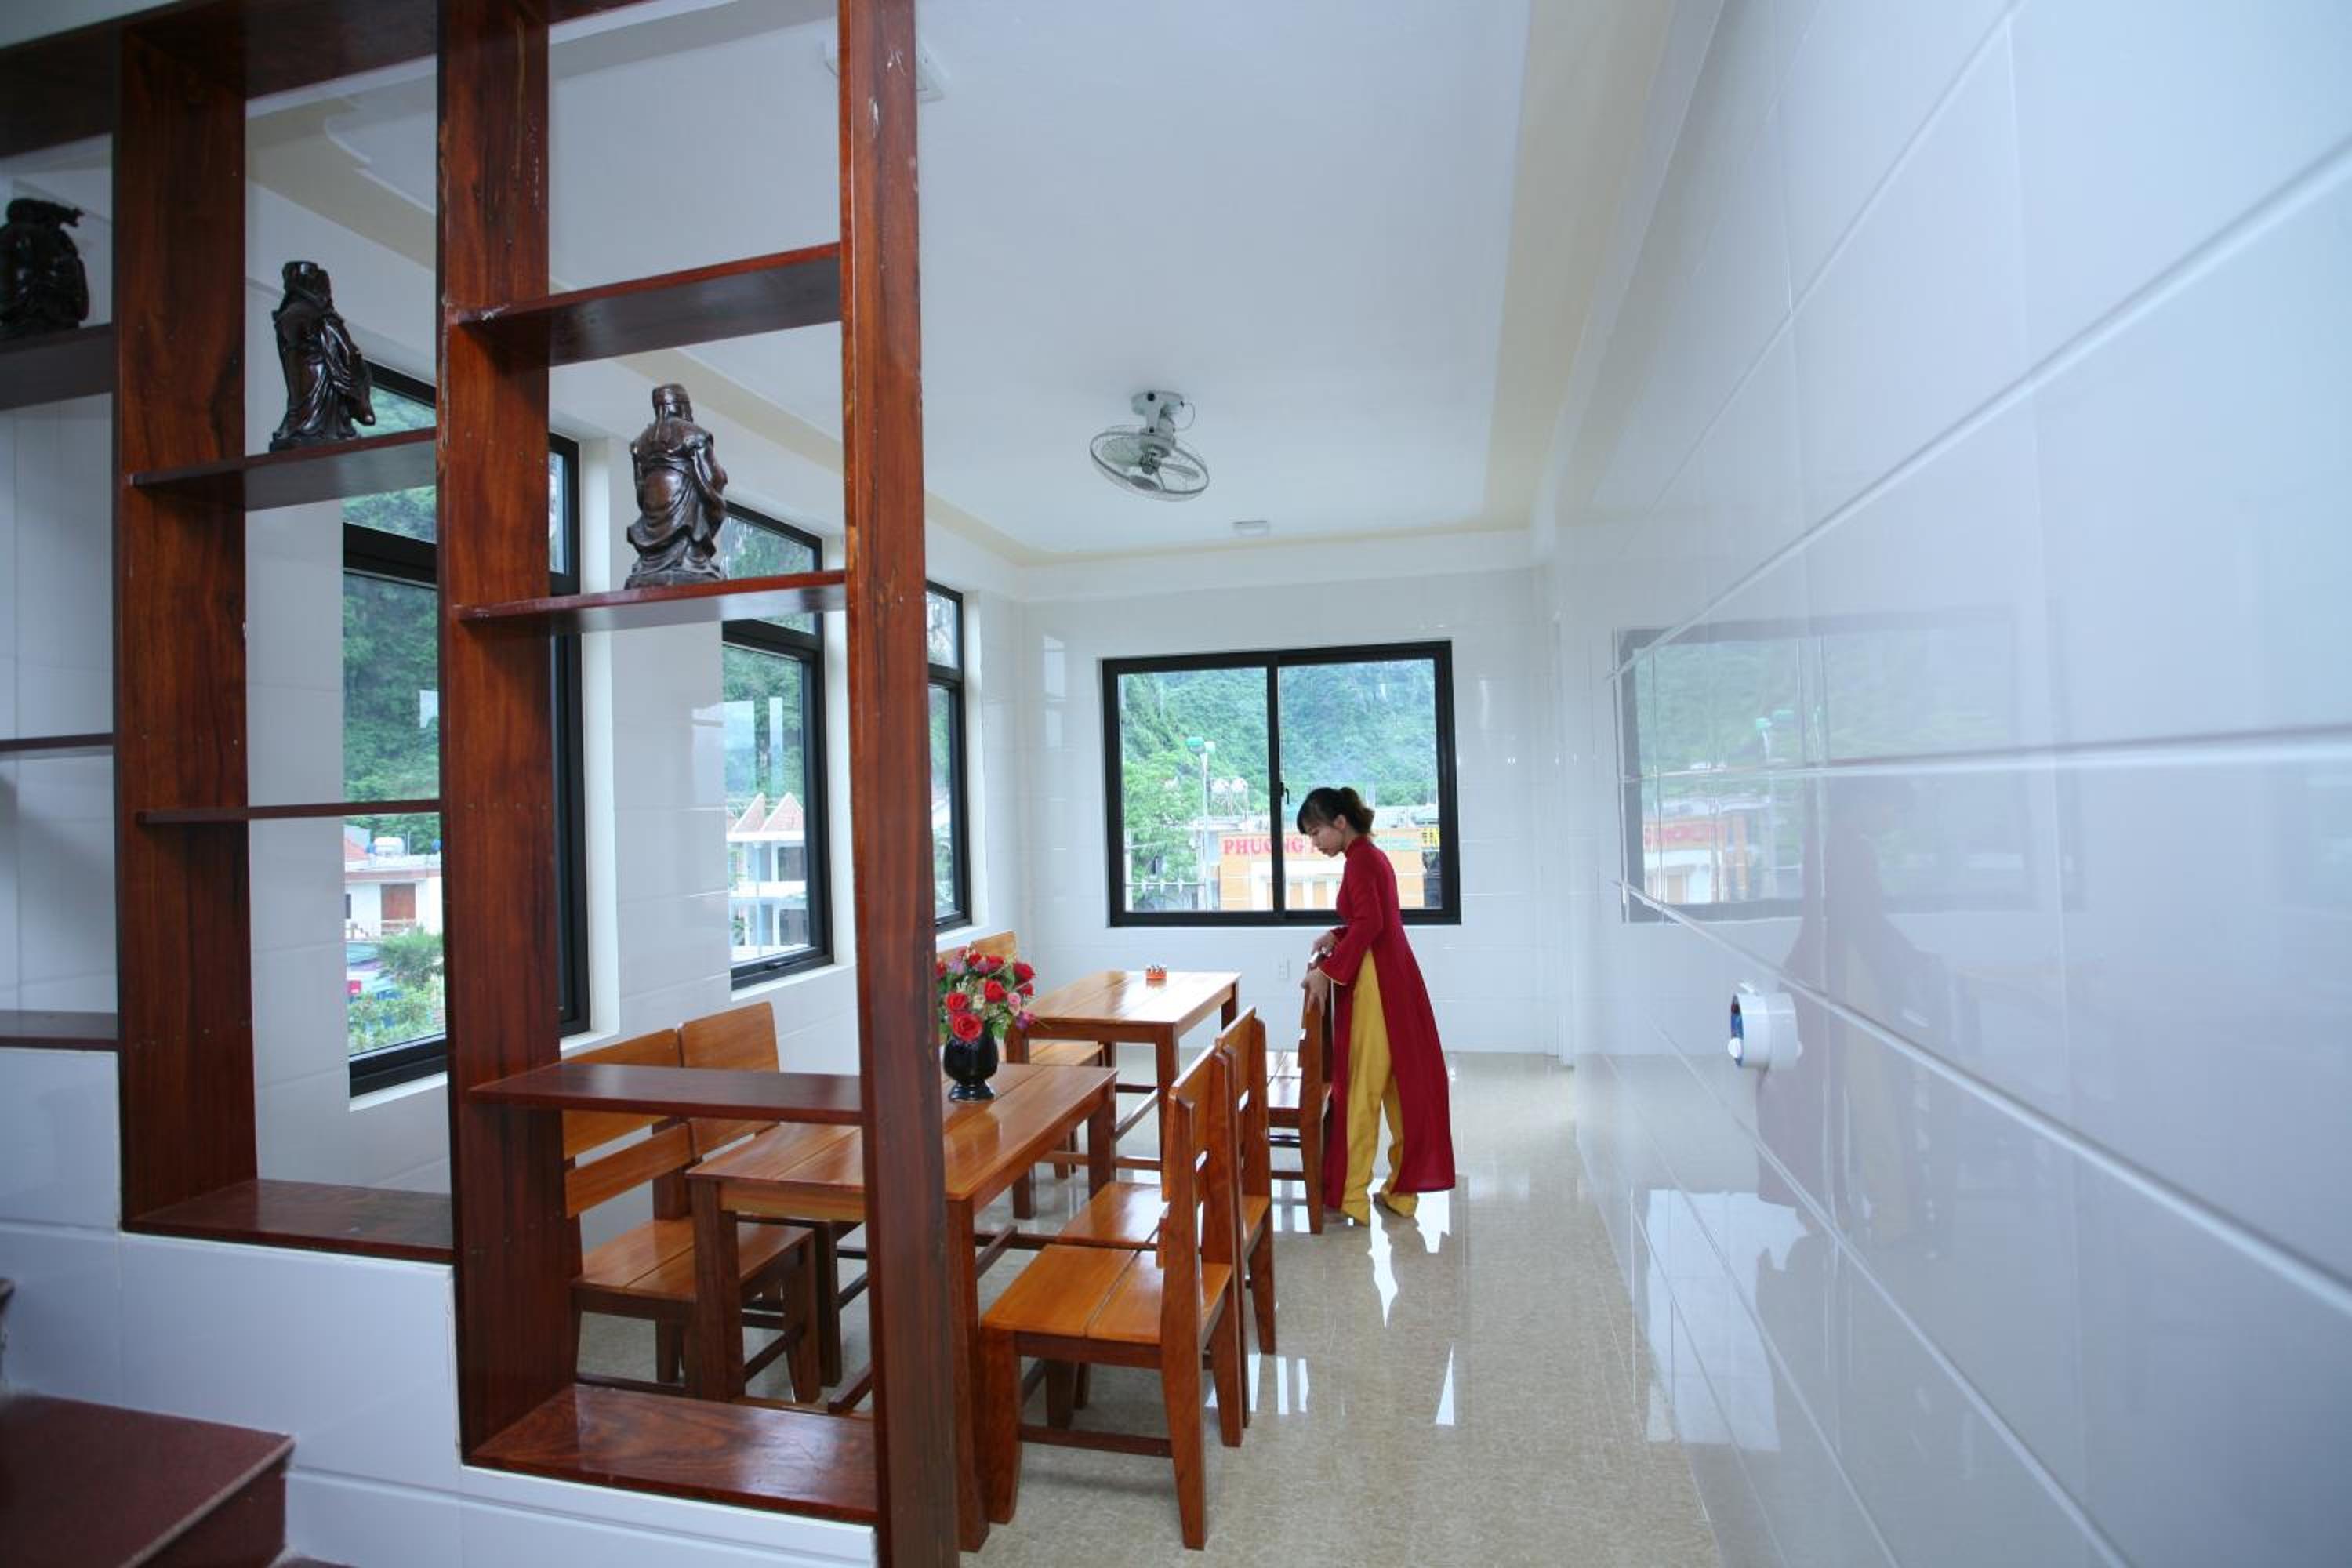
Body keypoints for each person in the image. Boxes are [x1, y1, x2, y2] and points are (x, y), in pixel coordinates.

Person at [1298, 786, 1457, 1224]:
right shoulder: (1369, 856)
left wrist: (1327, 973)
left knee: (1361, 1087)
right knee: (1399, 1087)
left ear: (1340, 823)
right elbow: (1371, 920)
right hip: (1394, 976)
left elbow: (1372, 921)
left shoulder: (1361, 860)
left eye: (1316, 832)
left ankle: (1352, 1195)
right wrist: (1338, 934)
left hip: (1377, 983)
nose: (1315, 843)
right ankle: (1402, 1193)